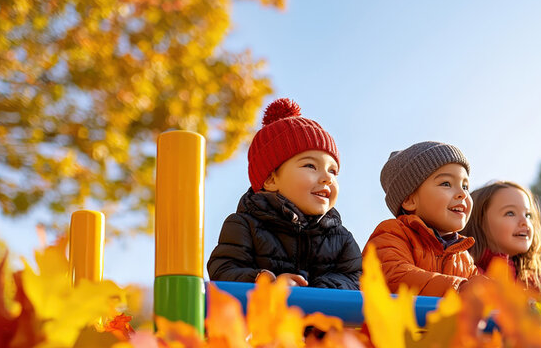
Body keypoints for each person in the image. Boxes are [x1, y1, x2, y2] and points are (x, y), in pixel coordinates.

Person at [207, 98, 361, 289]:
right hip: (264, 315)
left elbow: (357, 277)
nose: (327, 178)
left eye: (332, 171)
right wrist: (265, 281)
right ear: (271, 180)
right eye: (310, 166)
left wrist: (322, 289)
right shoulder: (245, 225)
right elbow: (223, 269)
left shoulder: (340, 237)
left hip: (322, 316)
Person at [364, 141, 483, 296]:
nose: (463, 193)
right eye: (446, 183)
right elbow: (392, 275)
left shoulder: (463, 257)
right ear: (409, 200)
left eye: (465, 186)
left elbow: (480, 289)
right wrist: (458, 288)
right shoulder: (392, 233)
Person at [462, 181, 541, 308]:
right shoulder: (467, 272)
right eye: (510, 213)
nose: (525, 222)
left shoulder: (531, 280)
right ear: (479, 222)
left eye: (528, 215)